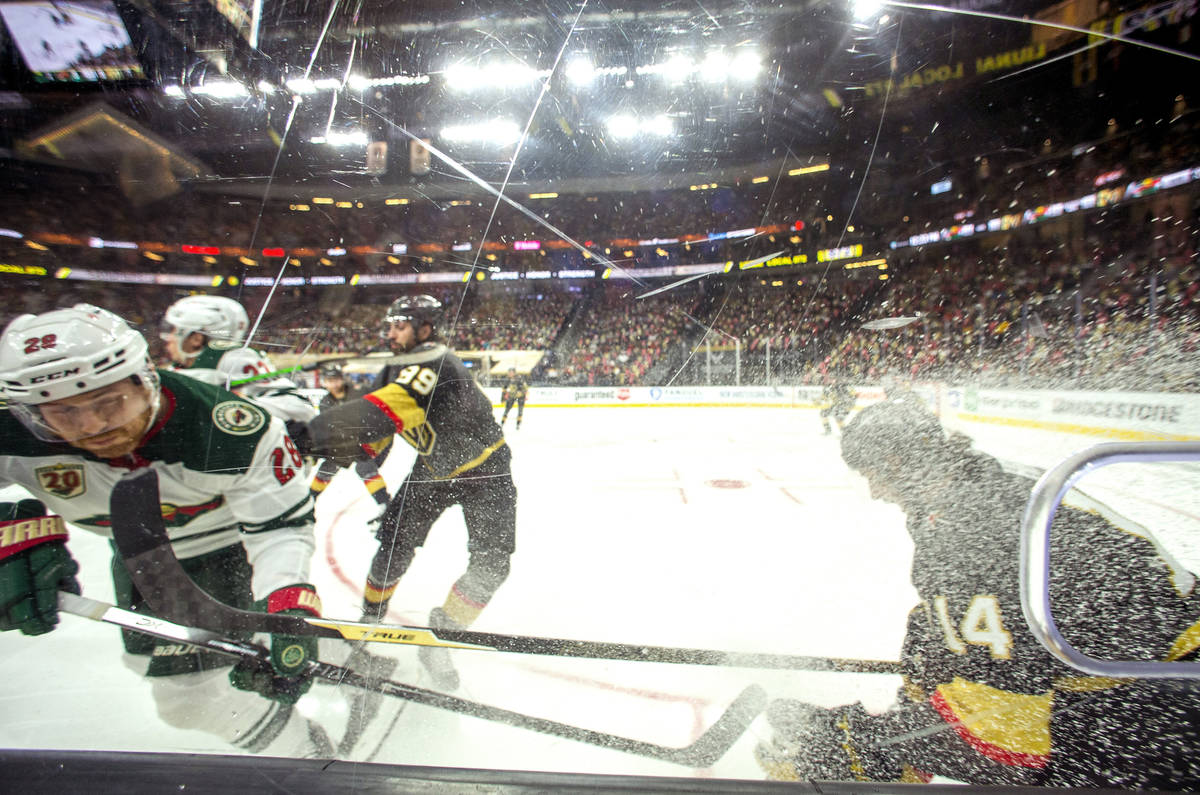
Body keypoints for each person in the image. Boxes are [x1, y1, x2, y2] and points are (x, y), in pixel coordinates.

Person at [755, 398, 1200, 787]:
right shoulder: (967, 491)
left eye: (873, 475)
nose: (874, 493)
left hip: (1165, 715)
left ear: (897, 463)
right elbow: (936, 628)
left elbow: (1012, 746)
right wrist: (906, 716)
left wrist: (863, 741)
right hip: (1151, 679)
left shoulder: (977, 536)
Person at [0, 304, 343, 757]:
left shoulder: (231, 427)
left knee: (191, 696)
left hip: (229, 545)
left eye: (108, 401)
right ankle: (335, 696)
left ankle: (309, 755)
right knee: (186, 704)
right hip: (140, 556)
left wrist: (287, 601)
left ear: (145, 378)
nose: (92, 427)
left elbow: (280, 525)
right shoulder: (11, 434)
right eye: (63, 413)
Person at [291, 294, 516, 690]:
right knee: (392, 546)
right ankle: (370, 622)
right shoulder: (393, 369)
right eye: (389, 324)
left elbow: (381, 411)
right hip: (432, 471)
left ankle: (441, 635)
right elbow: (375, 437)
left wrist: (312, 435)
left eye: (401, 325)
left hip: (487, 472)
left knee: (493, 564)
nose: (391, 332)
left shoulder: (436, 361)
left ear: (425, 329)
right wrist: (336, 456)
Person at [309, 364, 391, 519]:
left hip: (373, 437)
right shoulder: (326, 402)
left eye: (336, 379)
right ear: (324, 382)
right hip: (350, 441)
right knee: (329, 465)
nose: (334, 384)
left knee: (364, 467)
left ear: (342, 379)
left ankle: (386, 504)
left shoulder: (359, 392)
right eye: (329, 380)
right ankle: (309, 501)